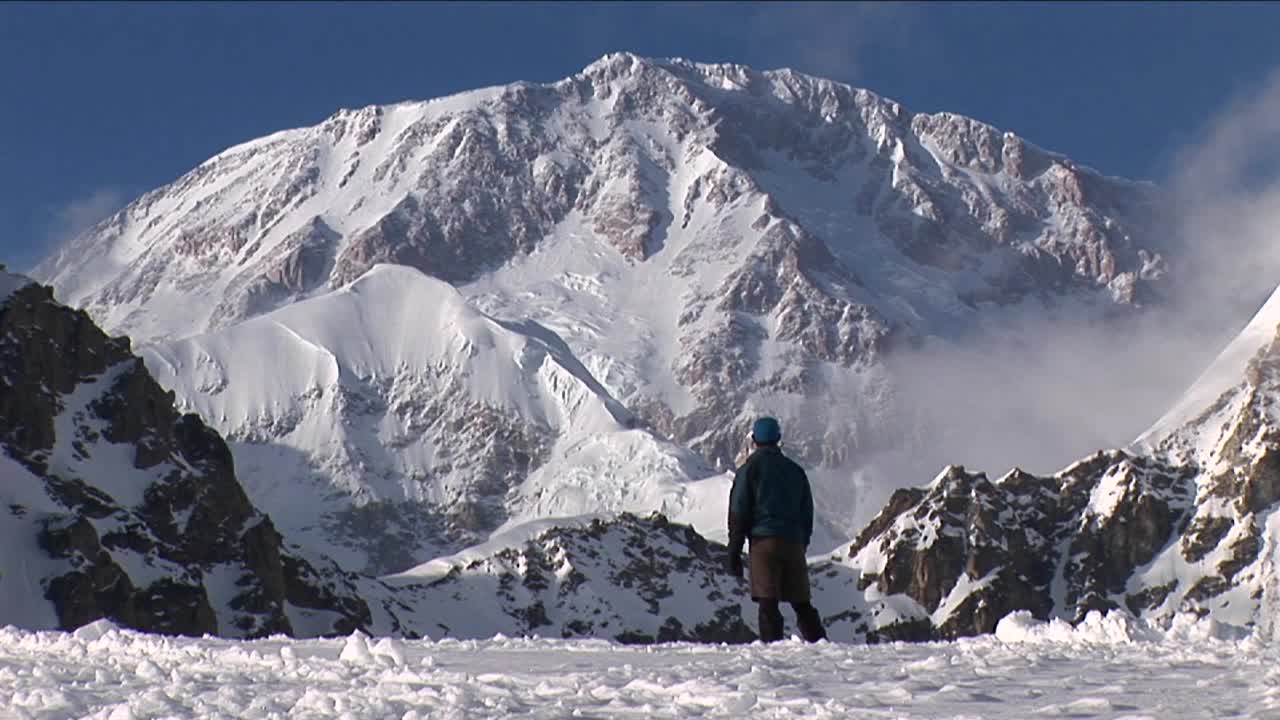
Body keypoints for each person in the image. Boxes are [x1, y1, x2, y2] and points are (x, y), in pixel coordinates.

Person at [726, 416, 827, 643]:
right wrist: (801, 542)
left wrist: (734, 549)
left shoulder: (749, 470)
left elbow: (739, 511)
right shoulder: (795, 471)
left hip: (763, 542)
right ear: (778, 439)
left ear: (753, 440)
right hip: (793, 542)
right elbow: (806, 512)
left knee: (767, 603)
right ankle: (821, 645)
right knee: (801, 603)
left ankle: (772, 650)